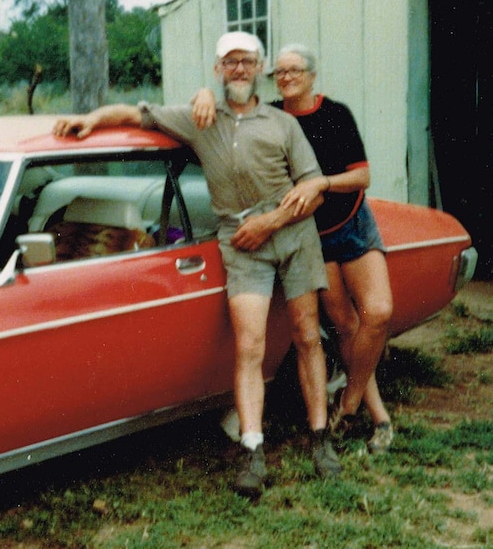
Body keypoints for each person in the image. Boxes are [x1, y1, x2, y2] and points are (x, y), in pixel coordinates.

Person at [53, 31, 342, 498]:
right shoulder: (199, 119)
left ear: (259, 66)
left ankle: (320, 439)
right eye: (230, 62)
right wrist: (91, 118)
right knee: (249, 346)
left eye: (247, 61)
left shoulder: (282, 123)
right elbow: (134, 111)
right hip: (241, 243)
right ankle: (253, 452)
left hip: (291, 236)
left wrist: (268, 222)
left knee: (307, 336)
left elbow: (312, 188)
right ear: (217, 69)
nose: (240, 69)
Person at [192, 44, 394, 454]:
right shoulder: (271, 116)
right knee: (344, 325)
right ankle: (379, 417)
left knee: (379, 312)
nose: (286, 77)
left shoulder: (335, 114)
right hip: (309, 235)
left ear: (312, 75)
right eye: (280, 72)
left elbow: (363, 177)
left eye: (294, 70)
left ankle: (350, 402)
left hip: (350, 222)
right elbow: (232, 115)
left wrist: (321, 183)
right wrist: (205, 93)